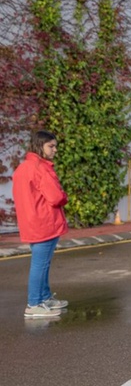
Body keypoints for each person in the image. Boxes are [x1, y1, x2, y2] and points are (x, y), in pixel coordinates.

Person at [13, 130, 70, 318]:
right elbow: (55, 197)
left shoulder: (23, 167)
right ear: (39, 146)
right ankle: (34, 304)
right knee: (40, 265)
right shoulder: (41, 168)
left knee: (42, 263)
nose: (55, 150)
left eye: (55, 146)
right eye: (51, 146)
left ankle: (44, 298)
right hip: (44, 222)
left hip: (32, 221)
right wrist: (64, 196)